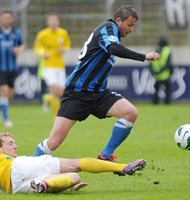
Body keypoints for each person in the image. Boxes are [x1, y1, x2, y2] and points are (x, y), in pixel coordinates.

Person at [34, 5, 160, 161]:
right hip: (77, 93)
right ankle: (27, 170)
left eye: (134, 26)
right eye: (130, 25)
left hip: (98, 93)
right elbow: (113, 49)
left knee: (130, 113)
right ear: (118, 20)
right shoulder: (107, 28)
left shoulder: (114, 33)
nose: (132, 29)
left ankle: (105, 155)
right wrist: (143, 56)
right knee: (53, 142)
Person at [0, 133, 146, 195]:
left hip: (19, 188)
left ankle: (46, 186)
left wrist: (66, 186)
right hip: (23, 168)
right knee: (76, 165)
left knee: (74, 179)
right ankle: (122, 167)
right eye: (10, 143)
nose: (14, 146)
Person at [33, 13, 71, 115]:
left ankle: (48, 100)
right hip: (48, 66)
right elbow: (37, 48)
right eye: (52, 21)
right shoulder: (42, 34)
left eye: (56, 20)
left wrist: (64, 49)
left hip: (60, 66)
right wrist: (43, 53)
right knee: (56, 89)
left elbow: (67, 45)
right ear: (48, 22)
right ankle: (57, 111)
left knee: (59, 91)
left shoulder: (63, 33)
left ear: (58, 22)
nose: (54, 23)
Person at [149, 36, 173, 104]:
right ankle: (167, 102)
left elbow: (151, 63)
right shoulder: (167, 51)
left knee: (156, 90)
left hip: (157, 75)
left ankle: (155, 102)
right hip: (165, 75)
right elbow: (169, 64)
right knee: (167, 90)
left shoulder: (155, 51)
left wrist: (154, 72)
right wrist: (171, 72)